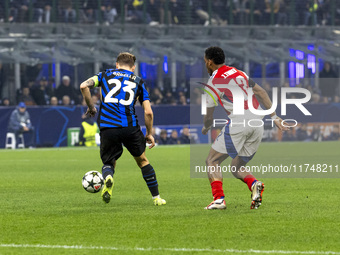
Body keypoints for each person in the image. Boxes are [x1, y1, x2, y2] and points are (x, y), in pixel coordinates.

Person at [201, 46, 289, 210]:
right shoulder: (239, 73)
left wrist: (206, 127)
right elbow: (261, 92)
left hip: (239, 122)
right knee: (236, 167)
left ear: (210, 62)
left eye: (205, 61)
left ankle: (218, 199)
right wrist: (275, 117)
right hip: (257, 123)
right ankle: (254, 184)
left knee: (212, 161)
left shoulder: (213, 82)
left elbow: (208, 115)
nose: (205, 64)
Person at [80, 52, 166, 206]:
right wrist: (149, 133)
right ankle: (157, 198)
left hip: (108, 127)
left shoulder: (104, 75)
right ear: (133, 67)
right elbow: (148, 112)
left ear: (117, 64)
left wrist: (91, 107)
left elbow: (83, 86)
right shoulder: (138, 82)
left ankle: (108, 177)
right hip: (130, 127)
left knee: (109, 162)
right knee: (143, 161)